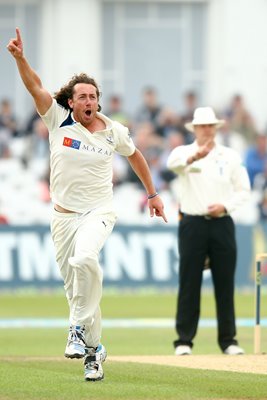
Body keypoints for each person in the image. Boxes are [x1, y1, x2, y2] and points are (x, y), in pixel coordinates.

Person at [7, 28, 167, 381]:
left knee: (85, 259)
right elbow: (35, 86)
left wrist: (153, 194)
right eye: (82, 96)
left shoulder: (113, 131)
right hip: (63, 217)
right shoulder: (57, 119)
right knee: (77, 286)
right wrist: (20, 59)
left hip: (99, 212)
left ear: (98, 100)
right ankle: (93, 354)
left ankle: (75, 329)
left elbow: (136, 155)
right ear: (72, 101)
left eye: (94, 96)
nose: (89, 101)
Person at [166, 106, 251, 356]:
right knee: (189, 281)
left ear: (215, 128)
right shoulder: (184, 152)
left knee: (224, 282)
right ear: (195, 129)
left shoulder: (230, 156)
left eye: (210, 126)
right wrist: (195, 157)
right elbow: (174, 166)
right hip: (192, 222)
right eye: (202, 126)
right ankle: (184, 341)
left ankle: (228, 341)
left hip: (222, 222)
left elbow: (243, 189)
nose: (207, 130)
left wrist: (225, 206)